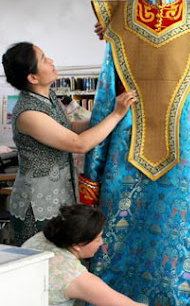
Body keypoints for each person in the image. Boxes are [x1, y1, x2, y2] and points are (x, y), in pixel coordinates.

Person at [81, 0, 190, 306]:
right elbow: (105, 99)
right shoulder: (116, 20)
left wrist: (92, 174)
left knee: (169, 255)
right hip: (164, 160)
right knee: (127, 249)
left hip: (151, 161)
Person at [2, 42, 136, 246]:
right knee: (43, 263)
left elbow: (71, 127)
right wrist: (116, 115)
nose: (51, 61)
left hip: (60, 194)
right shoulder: (29, 114)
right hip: (38, 204)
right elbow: (79, 144)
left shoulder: (47, 98)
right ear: (32, 77)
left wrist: (106, 115)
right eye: (44, 59)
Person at [22, 203, 190, 306]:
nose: (101, 242)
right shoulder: (74, 277)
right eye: (97, 238)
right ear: (77, 244)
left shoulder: (41, 237)